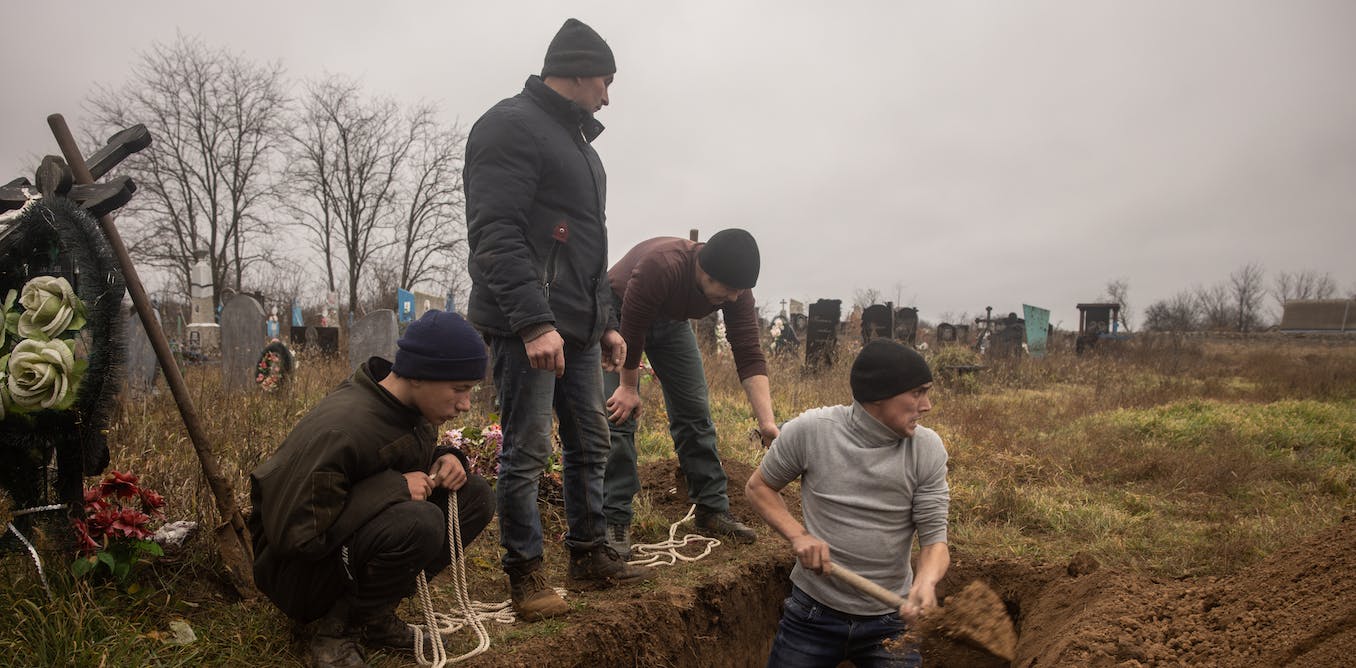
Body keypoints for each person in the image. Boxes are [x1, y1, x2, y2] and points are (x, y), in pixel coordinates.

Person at [463, 17, 648, 622]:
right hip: (532, 328)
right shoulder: (509, 127)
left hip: (580, 327)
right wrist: (532, 322)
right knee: (527, 448)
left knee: (590, 442)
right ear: (577, 71)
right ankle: (526, 574)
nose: (608, 95)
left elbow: (587, 252)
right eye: (605, 80)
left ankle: (589, 553)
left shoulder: (582, 150)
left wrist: (608, 320)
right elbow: (496, 235)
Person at [248, 310, 496, 668]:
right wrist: (395, 488)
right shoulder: (343, 428)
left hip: (341, 547)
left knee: (473, 495)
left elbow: (393, 458)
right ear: (420, 374)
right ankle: (336, 631)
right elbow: (296, 536)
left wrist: (446, 457)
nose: (465, 404)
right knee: (420, 521)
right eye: (459, 389)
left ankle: (374, 617)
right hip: (296, 574)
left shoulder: (402, 405)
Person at [745, 339, 950, 667]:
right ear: (880, 395)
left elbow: (935, 541)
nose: (926, 405)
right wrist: (799, 536)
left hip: (892, 620)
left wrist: (925, 581)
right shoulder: (812, 432)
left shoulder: (926, 449)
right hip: (813, 614)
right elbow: (759, 487)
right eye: (917, 393)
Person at [602, 229, 777, 554]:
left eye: (740, 291)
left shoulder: (736, 289)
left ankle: (711, 509)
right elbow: (633, 328)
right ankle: (614, 520)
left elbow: (748, 351)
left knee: (694, 411)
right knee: (618, 415)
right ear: (703, 272)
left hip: (670, 320)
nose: (735, 298)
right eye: (728, 291)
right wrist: (628, 387)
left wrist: (766, 421)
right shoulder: (662, 265)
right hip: (617, 313)